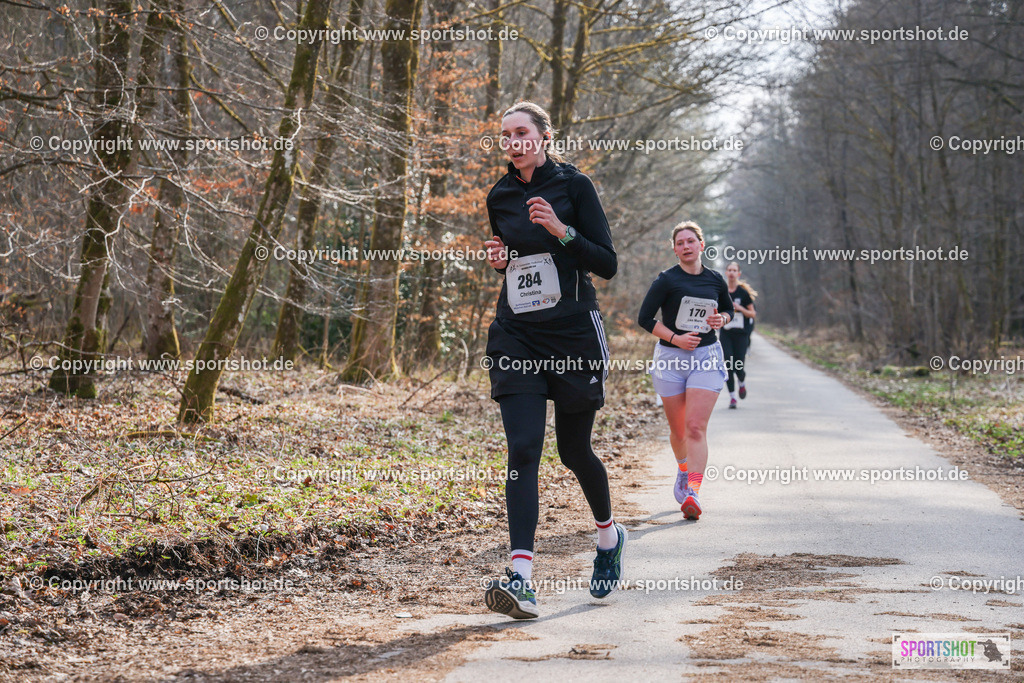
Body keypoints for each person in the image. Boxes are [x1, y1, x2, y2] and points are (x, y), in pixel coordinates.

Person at [481, 101, 625, 620]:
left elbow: (607, 263)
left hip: (572, 335)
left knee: (573, 450)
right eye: (505, 135)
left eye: (522, 132)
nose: (513, 142)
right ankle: (521, 578)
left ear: (544, 135)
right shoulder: (499, 195)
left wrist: (562, 230)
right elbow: (512, 260)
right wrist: (501, 261)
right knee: (523, 449)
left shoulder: (575, 186)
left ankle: (608, 537)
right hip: (517, 333)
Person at [637, 222, 734, 520]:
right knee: (678, 430)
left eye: (691, 241)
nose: (686, 246)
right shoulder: (666, 280)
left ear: (701, 245)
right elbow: (644, 318)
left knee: (694, 427)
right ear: (675, 249)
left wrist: (722, 320)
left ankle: (693, 491)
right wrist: (676, 338)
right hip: (671, 358)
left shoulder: (715, 279)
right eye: (680, 243)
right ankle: (682, 469)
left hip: (706, 357)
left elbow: (728, 309)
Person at [720, 261, 757, 408]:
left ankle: (741, 382)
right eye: (729, 270)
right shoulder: (722, 291)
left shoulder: (743, 293)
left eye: (734, 270)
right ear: (726, 273)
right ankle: (733, 397)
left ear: (738, 274)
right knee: (728, 365)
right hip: (726, 333)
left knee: (739, 366)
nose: (731, 272)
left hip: (741, 335)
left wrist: (739, 308)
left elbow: (752, 314)